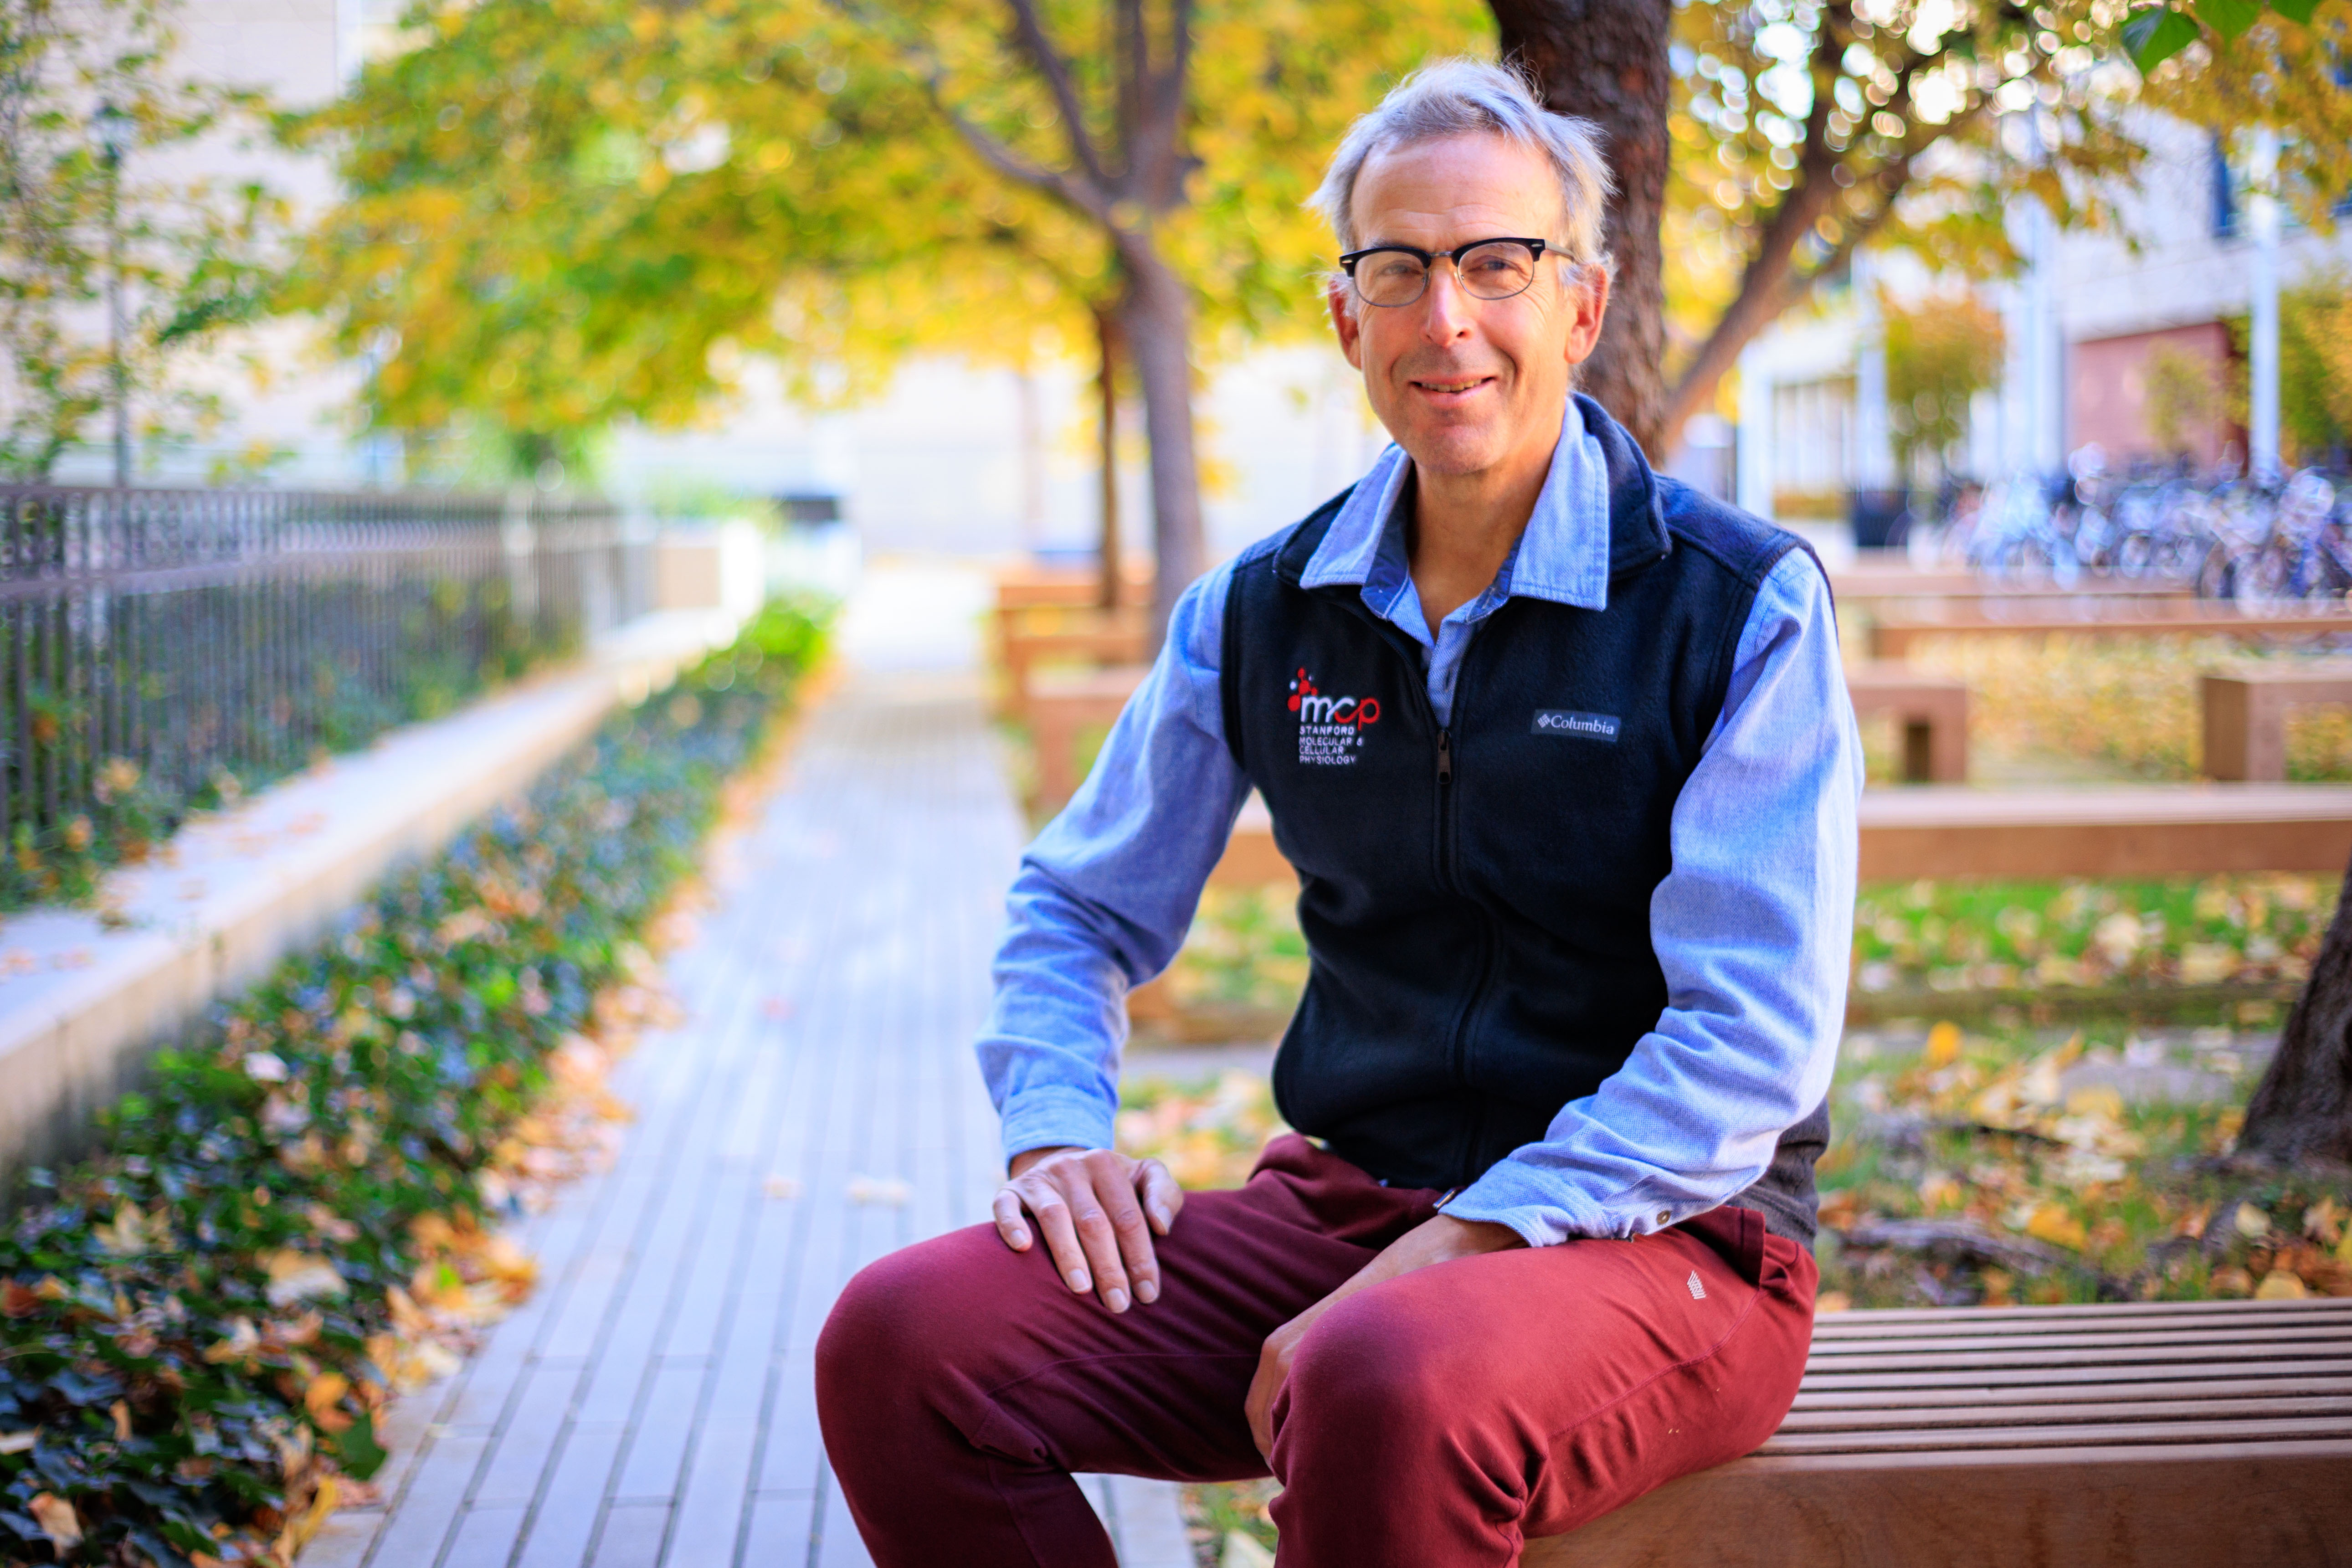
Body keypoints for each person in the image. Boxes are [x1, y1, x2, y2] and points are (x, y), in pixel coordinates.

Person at [817, 58, 1861, 1568]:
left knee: (1382, 1377)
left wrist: (1467, 1241)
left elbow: (1751, 1041)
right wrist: (1056, 1137)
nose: (1448, 319)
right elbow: (1074, 903)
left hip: (1666, 1244)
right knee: (901, 1343)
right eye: (1400, 268)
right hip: (1346, 1209)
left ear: (1580, 302)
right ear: (1343, 315)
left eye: (1499, 264)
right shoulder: (1258, 609)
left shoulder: (1735, 607)